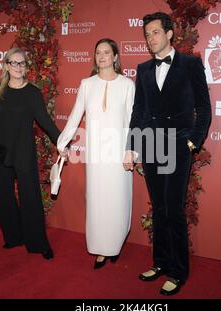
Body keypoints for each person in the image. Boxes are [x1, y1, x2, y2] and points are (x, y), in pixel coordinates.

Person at [123, 12, 211, 295]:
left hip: (178, 146)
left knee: (173, 209)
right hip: (150, 146)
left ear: (170, 33)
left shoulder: (190, 64)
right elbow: (138, 111)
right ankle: (160, 262)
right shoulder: (144, 69)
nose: (151, 38)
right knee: (158, 208)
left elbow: (204, 108)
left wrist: (192, 142)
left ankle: (178, 270)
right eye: (147, 34)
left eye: (156, 32)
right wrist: (132, 146)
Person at [0, 47, 64, 261]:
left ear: (26, 67)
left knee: (30, 197)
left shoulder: (32, 93)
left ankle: (38, 243)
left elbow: (45, 122)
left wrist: (62, 142)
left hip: (23, 151)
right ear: (6, 65)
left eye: (22, 63)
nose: (18, 67)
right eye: (13, 63)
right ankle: (14, 237)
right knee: (4, 198)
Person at [57, 38, 135, 269]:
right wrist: (63, 142)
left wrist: (131, 151)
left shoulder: (128, 85)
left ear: (115, 57)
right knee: (98, 202)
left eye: (106, 52)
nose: (102, 56)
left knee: (118, 201)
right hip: (96, 154)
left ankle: (115, 245)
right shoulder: (86, 84)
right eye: (98, 52)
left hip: (119, 153)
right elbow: (74, 116)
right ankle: (101, 249)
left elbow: (133, 121)